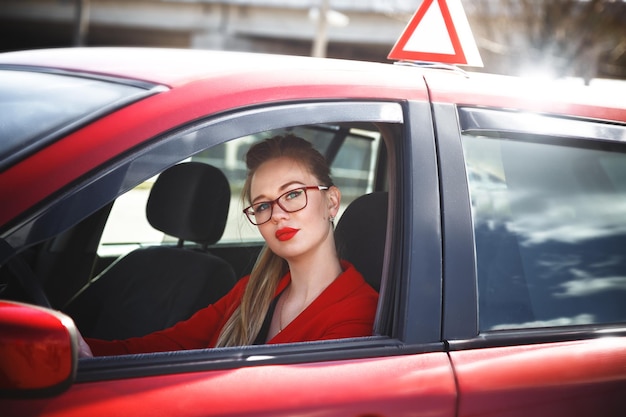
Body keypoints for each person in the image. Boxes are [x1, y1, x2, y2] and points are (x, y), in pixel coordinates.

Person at [79, 134, 379, 357]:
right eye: (262, 206)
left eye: (292, 194)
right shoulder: (251, 291)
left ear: (332, 201)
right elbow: (169, 348)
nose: (277, 215)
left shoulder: (358, 312)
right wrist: (76, 351)